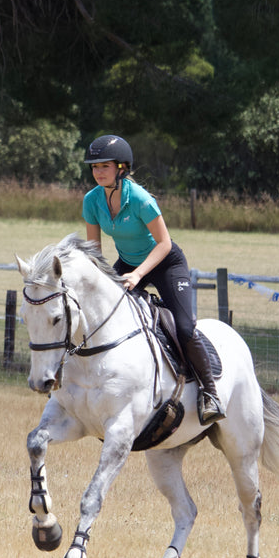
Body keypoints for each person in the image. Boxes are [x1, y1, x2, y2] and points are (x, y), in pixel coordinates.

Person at [81, 134, 225, 424]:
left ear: (122, 167)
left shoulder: (141, 199)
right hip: (129, 264)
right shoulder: (91, 201)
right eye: (94, 167)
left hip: (165, 263)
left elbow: (165, 244)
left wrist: (137, 274)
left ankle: (211, 394)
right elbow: (94, 251)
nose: (98, 172)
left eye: (104, 166)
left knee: (184, 327)